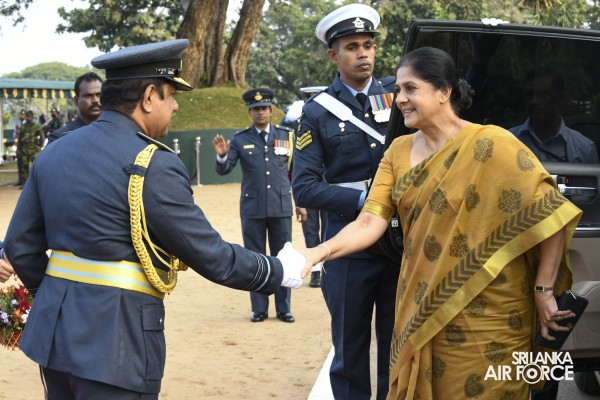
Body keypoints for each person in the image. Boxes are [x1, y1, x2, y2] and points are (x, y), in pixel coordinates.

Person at [3, 39, 305, 400]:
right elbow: (212, 256)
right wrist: (278, 270)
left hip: (54, 340)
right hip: (116, 346)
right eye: (171, 95)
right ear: (148, 97)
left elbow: (20, 247)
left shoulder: (55, 151)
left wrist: (56, 297)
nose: (175, 106)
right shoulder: (153, 162)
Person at [297, 46, 582, 399]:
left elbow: (551, 214)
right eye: (398, 89)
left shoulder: (492, 144)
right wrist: (317, 253)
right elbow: (370, 220)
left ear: (444, 92)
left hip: (493, 313)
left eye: (410, 88)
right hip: (424, 304)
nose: (400, 99)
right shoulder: (397, 152)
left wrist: (543, 291)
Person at [291, 4, 399, 399]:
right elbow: (304, 188)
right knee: (349, 351)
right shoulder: (317, 112)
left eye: (368, 45)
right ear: (333, 56)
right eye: (352, 47)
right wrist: (365, 198)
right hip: (348, 245)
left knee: (397, 348)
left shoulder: (399, 97)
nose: (363, 54)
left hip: (399, 241)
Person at [212, 88, 296, 323]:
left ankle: (284, 308)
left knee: (283, 258)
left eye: (264, 108)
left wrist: (301, 204)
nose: (260, 112)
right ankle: (259, 308)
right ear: (250, 113)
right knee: (255, 259)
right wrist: (222, 156)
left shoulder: (286, 136)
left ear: (271, 111)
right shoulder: (240, 139)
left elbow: (296, 172)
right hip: (253, 208)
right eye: (255, 109)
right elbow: (224, 169)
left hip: (280, 206)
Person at [509, 67, 599, 163]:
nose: (534, 101)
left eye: (543, 94)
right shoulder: (507, 141)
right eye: (529, 95)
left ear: (561, 97)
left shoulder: (584, 149)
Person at [47, 72, 103, 144]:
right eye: (88, 96)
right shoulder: (60, 138)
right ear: (76, 100)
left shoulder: (113, 132)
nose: (95, 100)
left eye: (99, 95)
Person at [17, 110, 44, 185]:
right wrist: (18, 149)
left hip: (33, 150)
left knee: (36, 166)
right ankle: (24, 185)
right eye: (27, 116)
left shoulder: (36, 126)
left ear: (32, 117)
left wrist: (40, 146)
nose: (27, 118)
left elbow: (42, 136)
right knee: (24, 168)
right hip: (24, 150)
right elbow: (19, 139)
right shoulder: (23, 127)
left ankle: (38, 184)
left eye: (29, 117)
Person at [12, 109, 26, 186]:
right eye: (20, 114)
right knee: (19, 164)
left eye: (23, 115)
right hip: (19, 146)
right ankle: (20, 180)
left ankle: (25, 182)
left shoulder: (27, 124)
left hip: (27, 147)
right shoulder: (17, 124)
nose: (21, 116)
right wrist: (17, 132)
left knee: (25, 165)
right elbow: (14, 136)